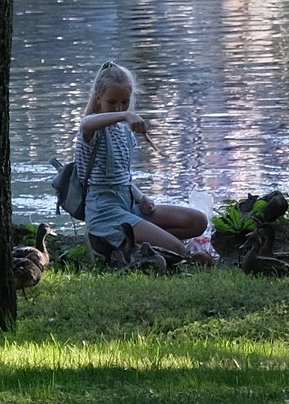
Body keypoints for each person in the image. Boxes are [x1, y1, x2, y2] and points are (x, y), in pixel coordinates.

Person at [73, 62, 213, 262]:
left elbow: (122, 177)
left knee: (198, 221)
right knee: (178, 250)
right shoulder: (93, 131)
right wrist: (125, 114)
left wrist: (141, 197)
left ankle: (135, 246)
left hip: (128, 205)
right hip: (105, 213)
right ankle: (115, 245)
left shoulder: (124, 132)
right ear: (98, 99)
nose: (118, 107)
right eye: (112, 102)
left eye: (124, 102)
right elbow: (84, 124)